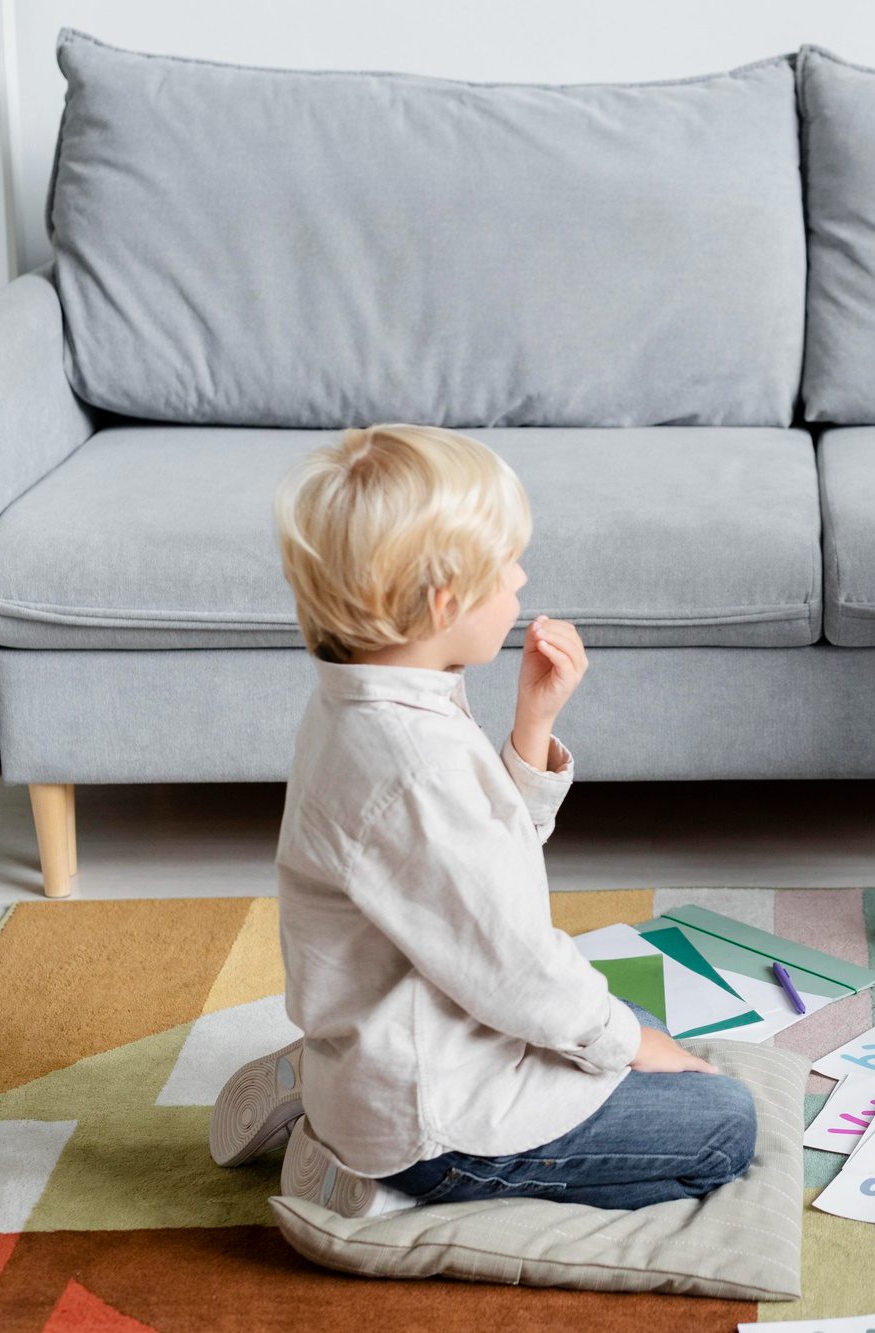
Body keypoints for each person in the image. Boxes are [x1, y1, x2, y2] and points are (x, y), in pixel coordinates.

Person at [208, 424, 757, 1215]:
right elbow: (517, 966)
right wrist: (631, 1047)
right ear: (445, 603)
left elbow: (472, 871)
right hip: (439, 1118)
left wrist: (532, 722)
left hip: (411, 1033)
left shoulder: (370, 695)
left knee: (622, 1023)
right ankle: (385, 1178)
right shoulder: (415, 763)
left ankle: (340, 1081)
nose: (522, 578)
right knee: (722, 1124)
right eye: (506, 567)